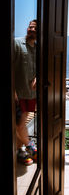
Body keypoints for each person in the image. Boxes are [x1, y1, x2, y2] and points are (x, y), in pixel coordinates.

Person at [15, 19, 37, 166]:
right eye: (30, 27)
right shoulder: (16, 44)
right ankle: (30, 146)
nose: (32, 30)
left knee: (20, 124)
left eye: (35, 28)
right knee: (20, 123)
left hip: (31, 94)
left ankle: (20, 151)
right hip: (18, 93)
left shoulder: (38, 48)